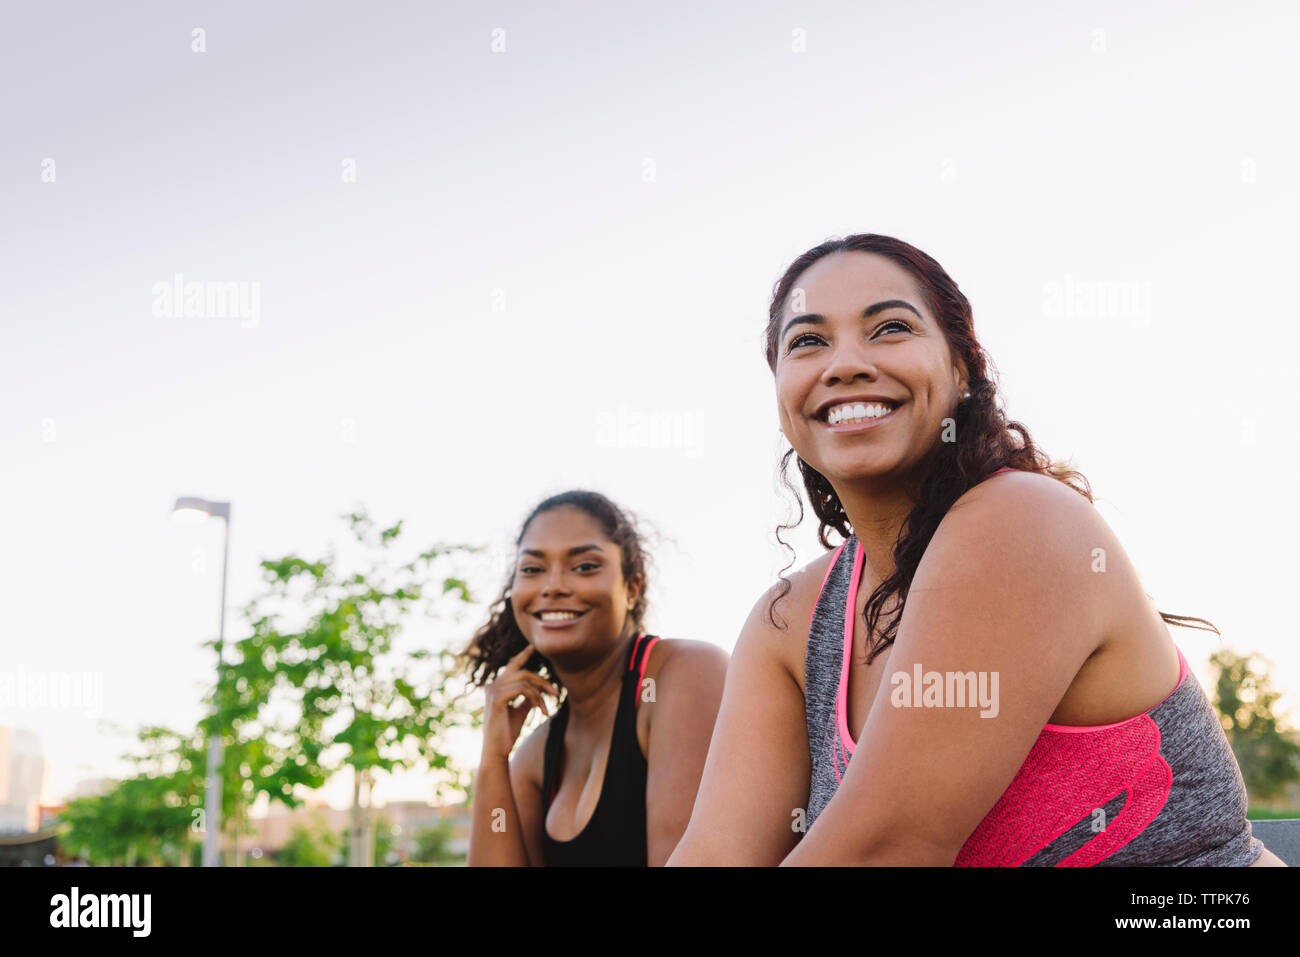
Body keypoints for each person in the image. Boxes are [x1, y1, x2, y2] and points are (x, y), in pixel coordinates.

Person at [667, 233, 1285, 866]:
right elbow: (716, 854)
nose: (845, 363)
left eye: (889, 328)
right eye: (807, 341)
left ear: (964, 370)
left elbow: (883, 851)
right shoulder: (791, 618)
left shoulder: (1022, 525)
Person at [463, 489, 728, 865]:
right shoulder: (536, 756)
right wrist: (493, 756)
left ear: (632, 587)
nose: (553, 586)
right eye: (533, 569)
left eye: (585, 566)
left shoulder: (683, 676)